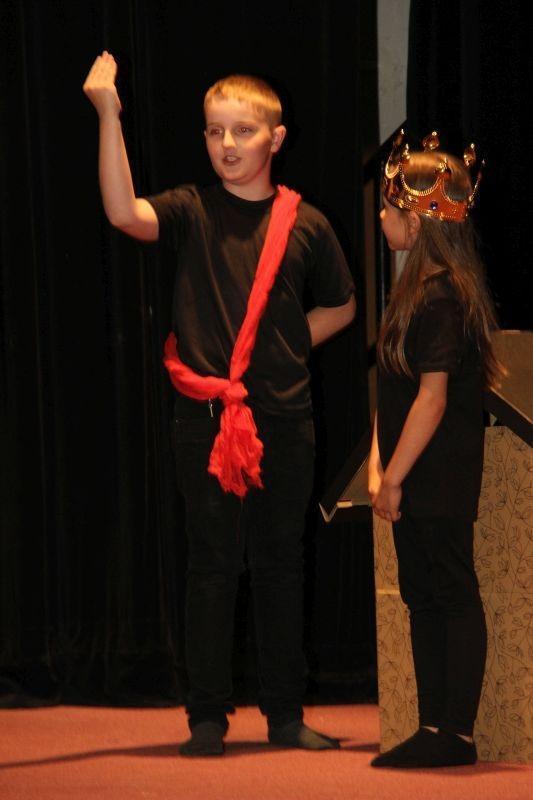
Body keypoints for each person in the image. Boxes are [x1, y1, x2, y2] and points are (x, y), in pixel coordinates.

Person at [83, 51, 356, 756]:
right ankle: (206, 715)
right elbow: (122, 212)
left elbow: (342, 305)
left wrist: (281, 348)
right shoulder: (191, 210)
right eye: (213, 131)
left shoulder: (307, 223)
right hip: (203, 422)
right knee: (211, 565)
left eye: (242, 131)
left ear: (276, 138)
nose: (226, 144)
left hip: (284, 419)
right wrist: (108, 113)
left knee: (280, 566)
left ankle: (285, 715)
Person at [368, 130, 502, 768]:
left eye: (389, 209)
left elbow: (432, 399)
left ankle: (457, 733)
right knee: (421, 594)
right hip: (412, 473)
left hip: (437, 474)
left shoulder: (443, 297)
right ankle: (433, 726)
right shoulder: (414, 292)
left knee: (449, 590)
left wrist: (395, 476)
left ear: (418, 222)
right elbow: (393, 394)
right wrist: (380, 466)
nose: (381, 218)